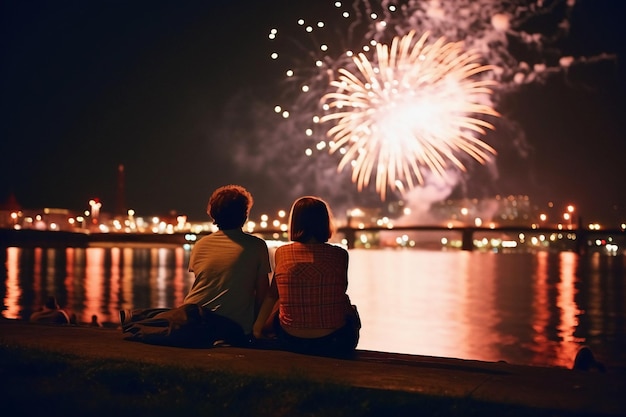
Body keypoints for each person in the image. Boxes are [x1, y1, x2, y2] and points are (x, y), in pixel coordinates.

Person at [121, 184, 272, 347]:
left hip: (193, 316)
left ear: (213, 214)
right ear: (245, 215)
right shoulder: (257, 246)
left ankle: (134, 318)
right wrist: (257, 329)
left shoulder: (201, 245)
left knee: (162, 314)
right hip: (233, 326)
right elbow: (262, 296)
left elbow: (206, 283)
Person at [253, 196, 360, 358]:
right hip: (334, 341)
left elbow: (271, 295)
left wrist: (257, 329)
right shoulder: (340, 255)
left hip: (290, 339)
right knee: (350, 309)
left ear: (295, 222)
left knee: (281, 297)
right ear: (325, 223)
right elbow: (340, 291)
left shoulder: (282, 253)